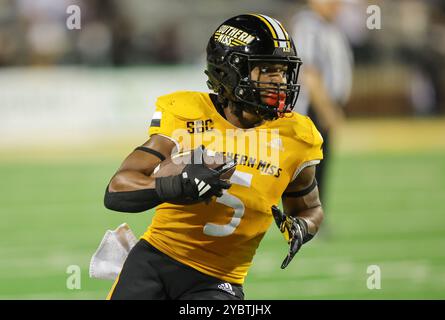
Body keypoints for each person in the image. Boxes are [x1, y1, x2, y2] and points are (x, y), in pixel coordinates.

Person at [103, 14, 324, 300]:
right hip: (154, 262)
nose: (279, 81)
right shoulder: (187, 113)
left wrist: (302, 226)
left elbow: (311, 208)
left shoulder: (296, 135)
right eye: (267, 70)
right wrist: (177, 185)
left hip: (218, 283)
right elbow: (117, 189)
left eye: (283, 71)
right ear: (230, 71)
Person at [291, 0, 353, 203]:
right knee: (311, 168)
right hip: (313, 108)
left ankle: (313, 217)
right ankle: (306, 218)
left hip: (324, 105)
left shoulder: (329, 26)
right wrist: (326, 109)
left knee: (320, 167)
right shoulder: (309, 26)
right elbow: (309, 72)